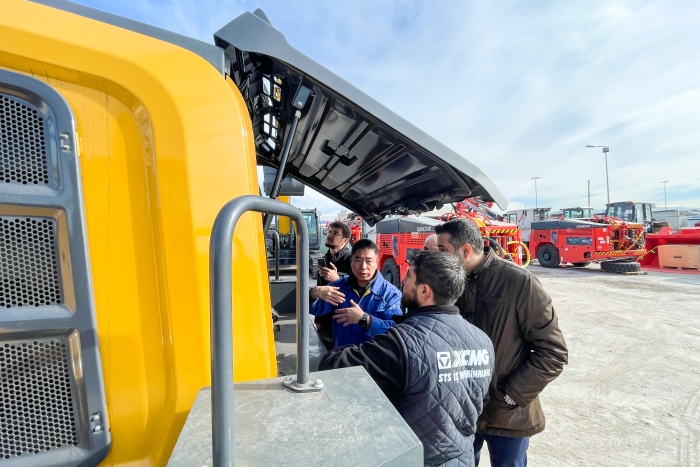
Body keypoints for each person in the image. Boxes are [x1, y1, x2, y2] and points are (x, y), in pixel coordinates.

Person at [320, 251, 494, 467]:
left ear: (424, 291)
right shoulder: (483, 341)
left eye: (409, 275)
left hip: (413, 458)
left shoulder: (404, 341)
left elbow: (333, 365)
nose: (402, 280)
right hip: (461, 458)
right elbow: (480, 401)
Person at [434, 218, 568, 467]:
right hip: (461, 410)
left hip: (508, 415)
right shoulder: (449, 284)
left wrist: (510, 397)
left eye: (443, 250)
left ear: (465, 250)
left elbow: (553, 352)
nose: (438, 257)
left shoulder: (519, 282)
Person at [310, 239, 401, 347]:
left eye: (369, 261)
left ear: (377, 262)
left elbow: (395, 331)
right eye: (358, 260)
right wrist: (313, 293)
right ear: (351, 261)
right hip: (343, 353)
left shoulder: (390, 293)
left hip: (373, 356)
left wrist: (365, 319)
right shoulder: (338, 287)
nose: (363, 267)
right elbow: (314, 309)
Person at [311, 221, 353, 350]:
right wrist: (317, 320)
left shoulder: (352, 260)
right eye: (329, 231)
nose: (329, 235)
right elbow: (320, 289)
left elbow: (357, 291)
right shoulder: (324, 260)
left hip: (344, 325)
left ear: (345, 240)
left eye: (335, 233)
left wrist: (337, 279)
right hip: (324, 325)